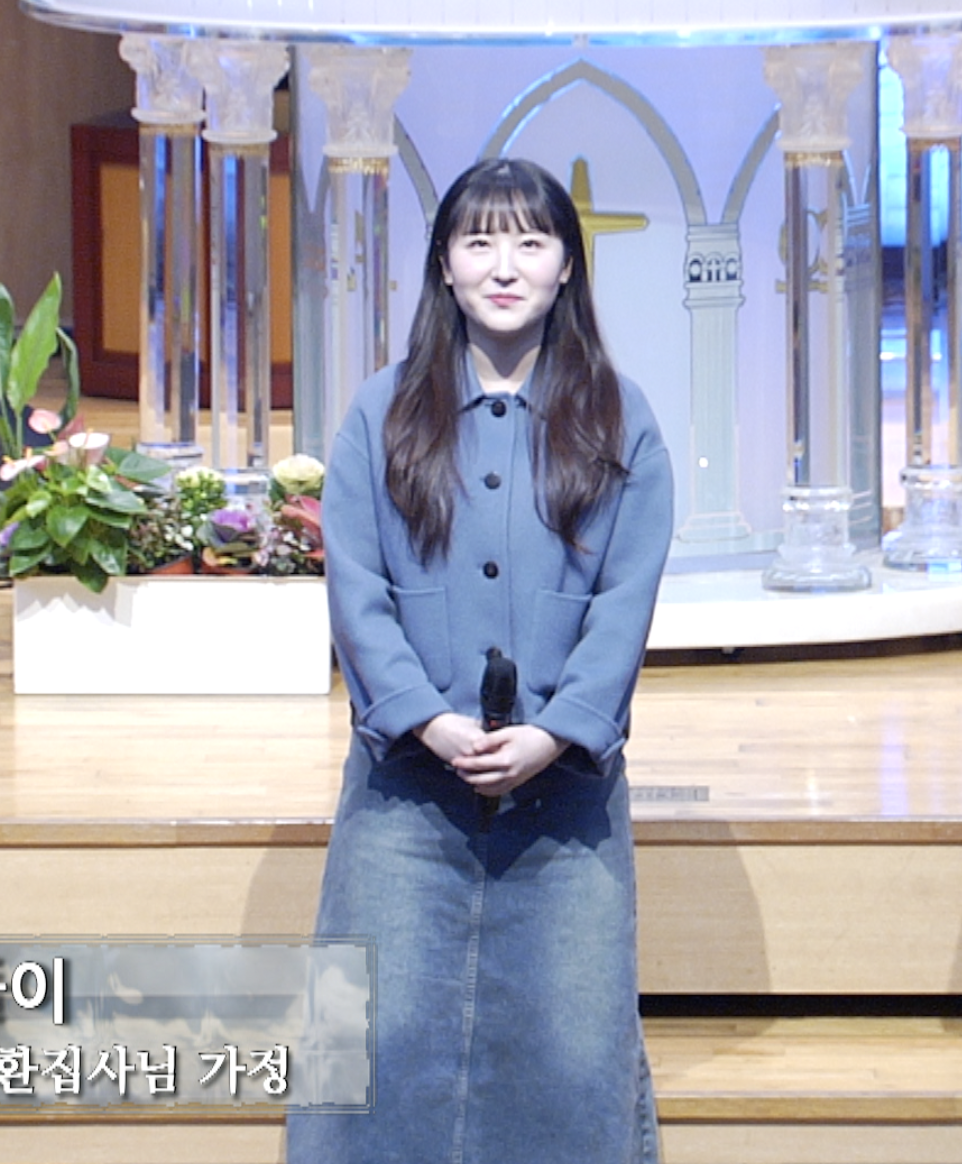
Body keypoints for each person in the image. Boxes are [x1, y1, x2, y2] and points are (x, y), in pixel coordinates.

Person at [284, 158, 673, 1163]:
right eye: (479, 242)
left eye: (531, 242)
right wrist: (425, 718)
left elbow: (624, 603)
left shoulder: (620, 417)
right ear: (444, 266)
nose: (505, 266)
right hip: (406, 786)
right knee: (377, 1040)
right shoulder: (380, 412)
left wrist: (557, 732)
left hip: (565, 791)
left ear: (566, 266)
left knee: (571, 1052)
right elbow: (357, 592)